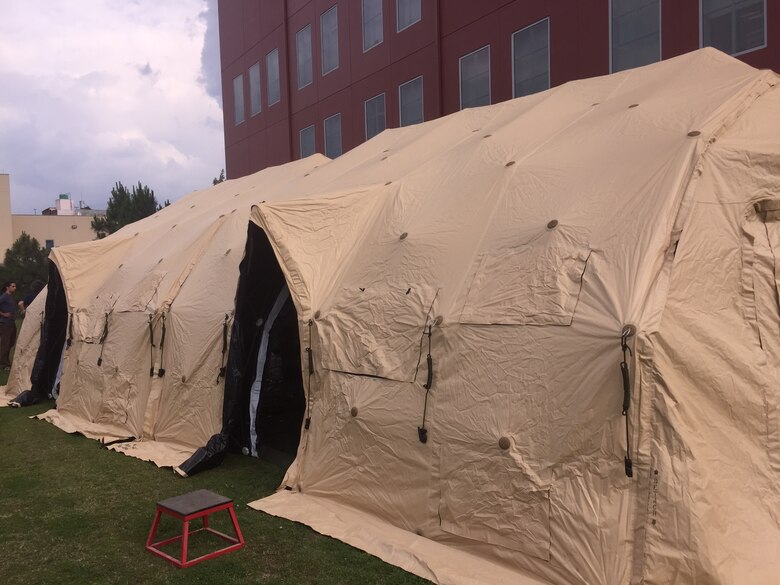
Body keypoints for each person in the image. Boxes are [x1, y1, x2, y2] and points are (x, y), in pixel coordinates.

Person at [0, 281, 18, 369]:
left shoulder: (10, 296)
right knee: (5, 343)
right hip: (5, 323)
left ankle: (6, 361)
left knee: (11, 342)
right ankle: (3, 364)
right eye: (13, 286)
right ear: (7, 287)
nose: (15, 288)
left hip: (11, 322)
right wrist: (3, 314)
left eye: (15, 286)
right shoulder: (4, 296)